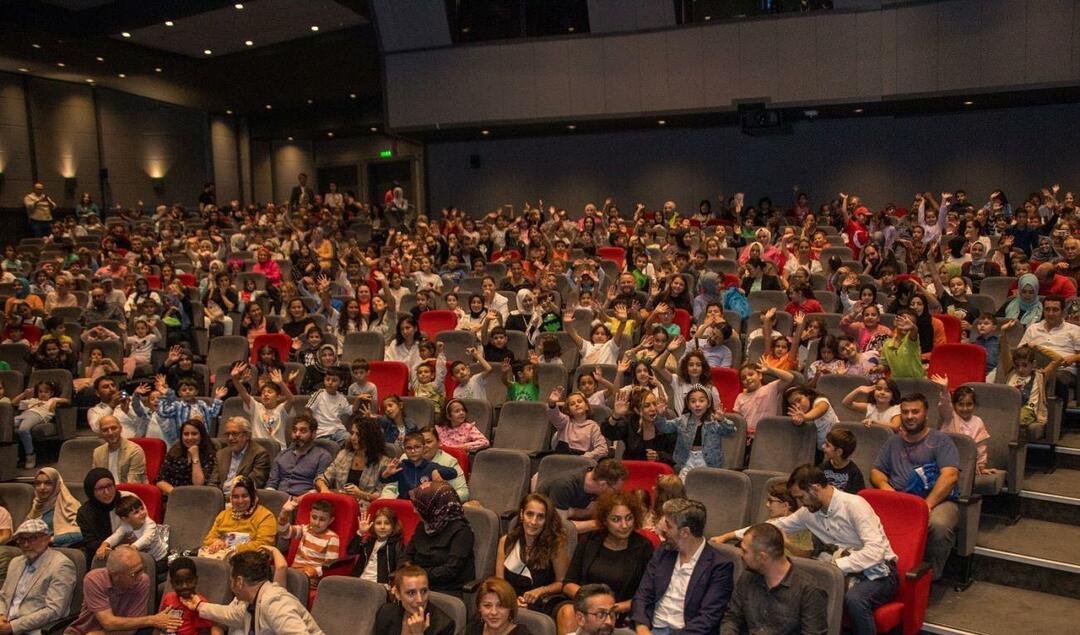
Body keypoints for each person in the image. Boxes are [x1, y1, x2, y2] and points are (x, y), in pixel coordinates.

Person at [759, 465, 898, 635]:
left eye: (802, 497)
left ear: (815, 489)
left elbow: (876, 551)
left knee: (855, 600)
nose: (801, 504)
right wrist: (731, 535)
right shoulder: (809, 511)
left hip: (878, 572)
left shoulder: (854, 505)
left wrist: (835, 566)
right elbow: (776, 525)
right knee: (799, 590)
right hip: (839, 567)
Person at [870, 393, 960, 580]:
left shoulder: (941, 441)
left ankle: (927, 578)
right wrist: (885, 487)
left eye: (915, 411)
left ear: (926, 414)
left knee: (939, 524)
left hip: (935, 501)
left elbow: (950, 475)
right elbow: (876, 472)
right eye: (905, 412)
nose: (910, 416)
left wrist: (927, 505)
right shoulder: (893, 441)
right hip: (899, 499)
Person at [630, 498, 732, 634]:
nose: (662, 528)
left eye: (668, 525)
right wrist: (642, 627)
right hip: (651, 628)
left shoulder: (719, 566)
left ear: (685, 532)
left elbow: (708, 618)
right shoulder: (664, 551)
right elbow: (643, 594)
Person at [557, 490, 654, 633]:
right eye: (616, 519)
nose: (624, 525)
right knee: (568, 613)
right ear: (605, 521)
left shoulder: (644, 547)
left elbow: (645, 596)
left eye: (629, 518)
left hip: (620, 610)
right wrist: (593, 604)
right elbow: (568, 584)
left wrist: (611, 609)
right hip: (584, 607)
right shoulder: (590, 540)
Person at [719, 523, 829, 635]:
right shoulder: (748, 576)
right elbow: (732, 618)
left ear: (762, 557)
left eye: (745, 551)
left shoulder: (809, 591)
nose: (740, 554)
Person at [189, 549, 323, 634]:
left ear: (239, 582)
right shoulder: (252, 600)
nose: (231, 585)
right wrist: (199, 606)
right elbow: (232, 615)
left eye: (231, 580)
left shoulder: (274, 602)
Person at [64, 546, 183, 635]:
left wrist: (102, 634)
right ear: (115, 575)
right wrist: (152, 620)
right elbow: (108, 623)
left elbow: (132, 628)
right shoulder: (94, 579)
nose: (140, 576)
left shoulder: (142, 581)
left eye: (141, 569)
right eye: (134, 573)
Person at [0, 518, 78, 635]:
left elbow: (54, 610)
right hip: (5, 623)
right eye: (22, 539)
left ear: (47, 538)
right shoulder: (15, 562)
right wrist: (1, 615)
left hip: (30, 629)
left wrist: (13, 626)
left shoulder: (61, 565)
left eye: (33, 538)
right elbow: (3, 596)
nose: (26, 544)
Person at [496, 494, 570, 614]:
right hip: (508, 600)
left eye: (540, 517)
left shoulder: (556, 546)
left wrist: (541, 590)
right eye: (529, 514)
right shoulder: (506, 541)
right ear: (521, 515)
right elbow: (499, 581)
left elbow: (562, 583)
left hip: (539, 603)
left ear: (547, 520)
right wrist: (511, 601)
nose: (533, 521)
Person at [406, 482, 476, 597]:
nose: (414, 510)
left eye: (419, 506)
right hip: (418, 584)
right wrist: (404, 571)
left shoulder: (462, 532)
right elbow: (407, 554)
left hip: (446, 590)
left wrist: (416, 575)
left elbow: (450, 571)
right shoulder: (424, 524)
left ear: (433, 507)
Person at [315, 415, 390, 506]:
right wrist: (324, 489)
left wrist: (361, 494)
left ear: (370, 437)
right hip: (340, 504)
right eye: (352, 433)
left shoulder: (382, 462)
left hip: (364, 509)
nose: (353, 438)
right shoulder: (344, 455)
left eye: (358, 434)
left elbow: (383, 496)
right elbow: (322, 478)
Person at [536, 459, 629, 533]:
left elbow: (593, 511)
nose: (615, 494)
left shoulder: (593, 478)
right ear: (603, 484)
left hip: (570, 521)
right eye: (615, 490)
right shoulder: (564, 486)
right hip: (545, 531)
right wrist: (600, 524)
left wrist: (573, 512)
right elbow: (560, 528)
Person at [1017, 294, 1080, 402]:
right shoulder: (1033, 328)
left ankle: (1058, 417)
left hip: (1062, 370)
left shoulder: (1074, 330)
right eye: (1047, 309)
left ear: (1063, 312)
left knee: (1057, 379)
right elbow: (1019, 351)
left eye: (1055, 310)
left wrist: (1072, 359)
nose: (1050, 313)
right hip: (1034, 368)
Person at [201, 475, 277, 557]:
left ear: (252, 496)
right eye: (235, 497)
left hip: (249, 561)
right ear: (231, 498)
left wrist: (232, 549)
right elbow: (207, 540)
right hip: (221, 558)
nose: (240, 501)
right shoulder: (223, 515)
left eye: (245, 496)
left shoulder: (265, 516)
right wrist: (216, 542)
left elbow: (264, 545)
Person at [98, 495, 168, 583]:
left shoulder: (150, 524)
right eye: (136, 512)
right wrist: (104, 545)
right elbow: (116, 536)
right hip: (141, 559)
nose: (142, 513)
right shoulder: (125, 525)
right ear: (125, 518)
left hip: (158, 560)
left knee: (146, 578)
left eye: (142, 509)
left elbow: (146, 539)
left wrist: (131, 548)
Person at [373, 564, 457, 635]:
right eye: (411, 593)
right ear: (398, 594)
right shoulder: (385, 612)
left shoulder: (443, 625)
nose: (420, 600)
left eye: (424, 591)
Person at [276, 498, 341, 587]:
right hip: (294, 572)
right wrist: (284, 513)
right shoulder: (306, 529)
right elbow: (284, 533)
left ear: (330, 520)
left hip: (310, 578)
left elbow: (329, 566)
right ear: (310, 515)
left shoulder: (332, 538)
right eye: (314, 517)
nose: (317, 523)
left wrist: (313, 572)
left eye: (322, 519)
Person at [76, 469, 134, 565]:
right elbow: (90, 544)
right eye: (100, 488)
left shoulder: (128, 499)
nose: (107, 492)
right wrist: (114, 549)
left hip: (133, 551)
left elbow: (141, 525)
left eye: (109, 486)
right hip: (102, 557)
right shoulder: (85, 513)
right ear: (90, 491)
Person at [265, 414, 333, 496]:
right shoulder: (282, 455)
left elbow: (319, 487)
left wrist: (298, 501)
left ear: (313, 434)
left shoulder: (323, 456)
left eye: (303, 431)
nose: (297, 434)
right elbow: (272, 483)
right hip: (279, 499)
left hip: (305, 500)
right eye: (294, 430)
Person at [157, 557, 223, 635]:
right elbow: (159, 622)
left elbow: (215, 625)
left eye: (189, 581)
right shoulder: (168, 597)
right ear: (172, 584)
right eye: (178, 583)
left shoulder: (200, 603)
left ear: (196, 580)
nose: (184, 586)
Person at [208, 416, 272, 494]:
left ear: (247, 435)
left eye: (235, 433)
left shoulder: (259, 454)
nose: (230, 438)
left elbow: (252, 484)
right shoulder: (221, 454)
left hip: (241, 499)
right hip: (221, 498)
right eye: (227, 434)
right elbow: (213, 483)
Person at [157, 418, 217, 497]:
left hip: (197, 498)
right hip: (173, 495)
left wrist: (195, 456)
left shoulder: (210, 454)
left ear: (202, 436)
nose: (189, 438)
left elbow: (198, 484)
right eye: (186, 434)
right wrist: (176, 493)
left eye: (194, 434)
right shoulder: (175, 450)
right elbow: (160, 480)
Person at [348, 507, 406, 584]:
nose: (382, 527)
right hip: (359, 580)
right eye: (378, 523)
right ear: (373, 526)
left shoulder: (396, 544)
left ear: (393, 527)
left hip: (380, 584)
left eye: (387, 523)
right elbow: (351, 551)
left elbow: (401, 568)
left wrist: (393, 583)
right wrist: (360, 533)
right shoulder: (370, 541)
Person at [27, 468, 82, 546]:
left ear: (57, 484)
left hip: (59, 549)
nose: (42, 487)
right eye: (38, 483)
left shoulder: (69, 504)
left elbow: (81, 534)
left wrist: (51, 539)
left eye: (48, 483)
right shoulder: (36, 504)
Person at [467, 576, 536, 635]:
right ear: (479, 608)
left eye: (501, 606)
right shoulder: (473, 629)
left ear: (510, 607)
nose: (494, 612)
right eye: (487, 605)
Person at [91, 415, 148, 484]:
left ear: (121, 429)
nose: (110, 433)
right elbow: (96, 481)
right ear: (101, 433)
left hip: (129, 492)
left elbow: (133, 484)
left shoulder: (135, 451)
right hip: (106, 492)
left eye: (114, 428)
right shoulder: (97, 452)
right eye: (105, 430)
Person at [819, 428, 866, 493]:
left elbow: (858, 498)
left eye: (827, 445)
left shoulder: (854, 473)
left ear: (839, 452)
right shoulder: (822, 468)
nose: (823, 446)